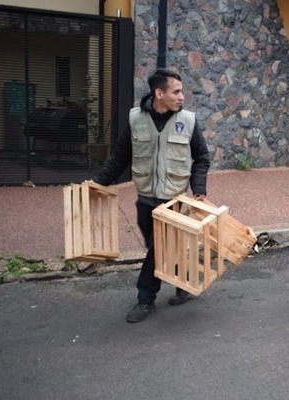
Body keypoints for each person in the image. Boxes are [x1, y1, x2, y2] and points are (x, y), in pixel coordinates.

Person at [92, 69, 211, 323]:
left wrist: (198, 190)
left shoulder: (188, 121)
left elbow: (202, 158)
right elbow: (120, 156)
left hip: (173, 201)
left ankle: (145, 298)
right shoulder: (136, 119)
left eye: (181, 91)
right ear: (159, 93)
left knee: (159, 249)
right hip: (145, 198)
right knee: (159, 247)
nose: (181, 96)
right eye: (176, 92)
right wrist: (99, 183)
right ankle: (185, 282)